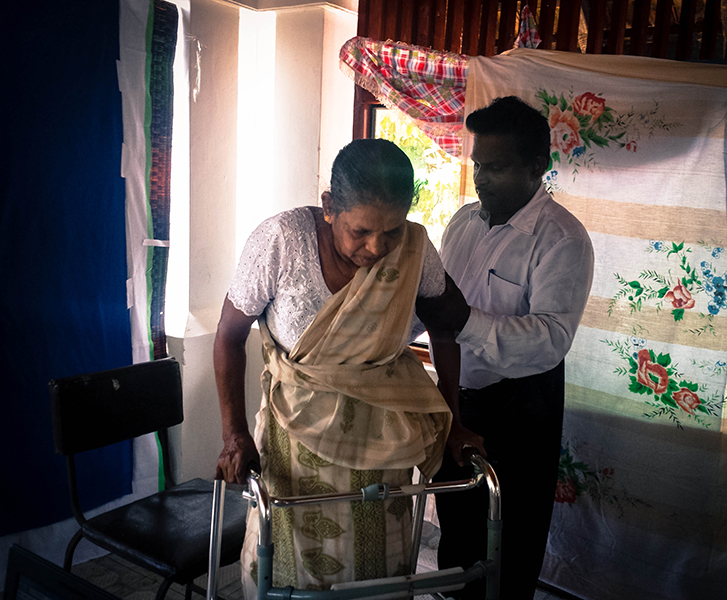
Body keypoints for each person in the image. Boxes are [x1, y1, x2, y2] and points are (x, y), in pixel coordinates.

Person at [213, 138, 483, 595]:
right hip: (294, 445)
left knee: (377, 571)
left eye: (391, 231)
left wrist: (454, 421)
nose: (377, 247)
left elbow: (445, 328)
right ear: (329, 207)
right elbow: (228, 336)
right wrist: (234, 433)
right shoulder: (281, 240)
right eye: (360, 231)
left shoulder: (415, 249)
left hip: (382, 446)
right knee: (289, 569)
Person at [417, 96, 594, 598]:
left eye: (495, 168)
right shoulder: (462, 222)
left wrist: (466, 322)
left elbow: (550, 340)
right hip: (455, 399)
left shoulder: (562, 239)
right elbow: (432, 307)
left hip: (520, 406)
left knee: (507, 544)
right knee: (458, 531)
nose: (480, 178)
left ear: (537, 166)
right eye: (477, 165)